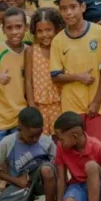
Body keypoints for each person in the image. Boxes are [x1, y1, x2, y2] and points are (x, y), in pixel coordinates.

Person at [50, 0, 101, 154]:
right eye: (63, 9)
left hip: (98, 106)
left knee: (100, 151)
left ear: (82, 7)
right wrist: (78, 77)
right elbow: (56, 76)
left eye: (73, 7)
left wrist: (97, 101)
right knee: (76, 153)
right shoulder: (58, 40)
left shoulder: (100, 33)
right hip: (72, 108)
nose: (68, 13)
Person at [0, 107, 58, 201]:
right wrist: (16, 181)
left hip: (40, 184)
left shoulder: (47, 142)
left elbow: (57, 169)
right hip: (20, 185)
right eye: (31, 136)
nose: (35, 139)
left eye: (39, 134)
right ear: (19, 128)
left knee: (47, 169)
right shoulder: (8, 142)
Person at [0, 7, 28, 152]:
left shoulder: (29, 51)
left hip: (19, 117)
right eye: (10, 28)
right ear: (3, 30)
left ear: (26, 27)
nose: (15, 32)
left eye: (19, 27)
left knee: (15, 158)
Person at [25, 8, 64, 136]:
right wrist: (31, 104)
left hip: (59, 103)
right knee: (40, 139)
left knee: (59, 137)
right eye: (40, 31)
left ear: (57, 29)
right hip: (38, 104)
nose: (44, 35)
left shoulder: (60, 49)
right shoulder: (31, 51)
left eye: (48, 30)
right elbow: (28, 80)